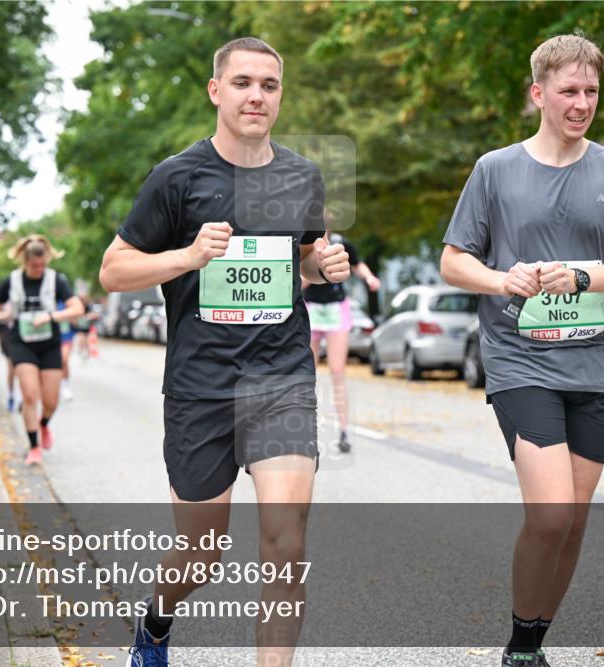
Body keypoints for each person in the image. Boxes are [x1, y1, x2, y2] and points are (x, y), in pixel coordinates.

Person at [100, 36, 348, 667]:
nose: (255, 96)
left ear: (280, 95)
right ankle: (156, 622)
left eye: (268, 85)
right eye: (242, 83)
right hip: (200, 386)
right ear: (217, 90)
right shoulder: (177, 177)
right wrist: (187, 256)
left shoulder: (301, 176)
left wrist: (323, 264)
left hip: (281, 378)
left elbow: (302, 265)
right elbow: (113, 271)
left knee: (285, 543)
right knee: (202, 553)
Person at [440, 33, 604, 667]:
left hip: (594, 362)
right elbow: (455, 262)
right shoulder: (495, 169)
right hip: (519, 360)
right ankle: (519, 647)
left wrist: (586, 275)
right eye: (569, 91)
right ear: (539, 93)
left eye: (591, 91)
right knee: (552, 514)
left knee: (575, 521)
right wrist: (500, 278)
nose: (581, 103)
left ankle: (530, 643)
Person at [0, 235, 84, 465]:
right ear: (25, 262)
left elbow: (77, 308)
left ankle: (44, 423)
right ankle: (34, 446)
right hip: (21, 343)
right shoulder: (12, 280)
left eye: (43, 265)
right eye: (35, 266)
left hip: (49, 344)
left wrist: (50, 316)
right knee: (29, 394)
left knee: (51, 401)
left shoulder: (56, 280)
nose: (39, 270)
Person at [302, 231, 380, 452]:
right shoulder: (300, 244)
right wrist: (312, 275)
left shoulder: (341, 243)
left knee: (338, 371)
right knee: (307, 372)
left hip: (336, 308)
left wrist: (369, 278)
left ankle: (344, 430)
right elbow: (294, 282)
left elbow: (357, 265)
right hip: (312, 309)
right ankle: (307, 430)